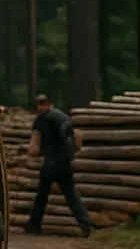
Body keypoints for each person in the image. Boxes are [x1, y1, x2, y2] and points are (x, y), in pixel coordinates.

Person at [26, 93, 92, 237]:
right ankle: (85, 224)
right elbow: (77, 136)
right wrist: (71, 152)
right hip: (65, 161)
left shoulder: (41, 120)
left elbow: (33, 146)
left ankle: (33, 226)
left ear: (40, 105)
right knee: (71, 194)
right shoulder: (62, 117)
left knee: (42, 196)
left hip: (50, 163)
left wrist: (33, 152)